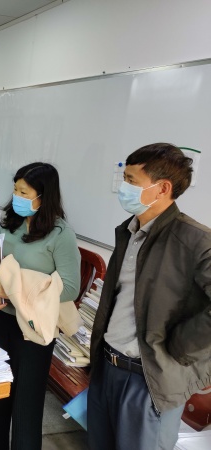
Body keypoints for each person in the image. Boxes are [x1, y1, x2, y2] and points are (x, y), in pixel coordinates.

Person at [87, 143, 211, 450]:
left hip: (149, 379)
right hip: (108, 367)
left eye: (131, 180)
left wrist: (180, 348)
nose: (124, 187)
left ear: (163, 188)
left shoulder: (195, 240)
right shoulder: (128, 231)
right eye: (124, 178)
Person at [0, 162, 80, 450]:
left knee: (26, 403)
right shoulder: (9, 224)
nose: (17, 197)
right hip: (1, 320)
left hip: (34, 328)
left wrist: (15, 291)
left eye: (24, 192)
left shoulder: (60, 234)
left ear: (43, 196)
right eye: (15, 190)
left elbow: (70, 288)